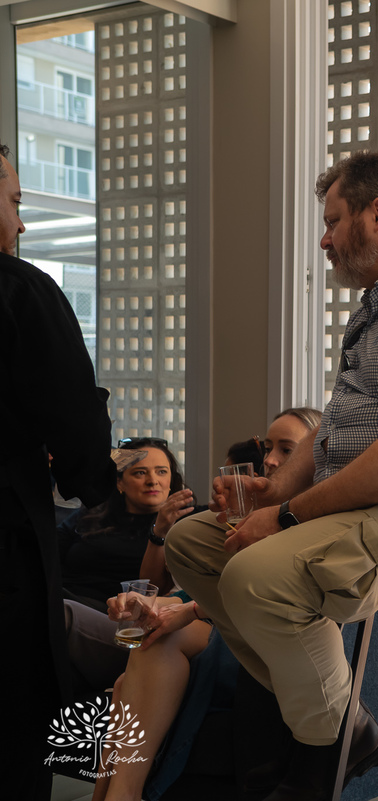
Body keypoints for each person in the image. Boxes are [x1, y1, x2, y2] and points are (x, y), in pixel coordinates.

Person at [164, 151, 378, 801]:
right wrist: (276, 488)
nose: (324, 239)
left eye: (332, 221)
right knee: (192, 542)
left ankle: (318, 753)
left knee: (255, 573)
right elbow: (338, 421)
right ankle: (341, 723)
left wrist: (287, 516)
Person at [92, 408, 322, 801]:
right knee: (129, 675)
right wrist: (154, 602)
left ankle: (119, 796)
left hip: (264, 637)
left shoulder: (313, 517)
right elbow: (198, 585)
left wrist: (183, 609)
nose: (269, 460)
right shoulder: (248, 509)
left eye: (286, 449)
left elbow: (257, 592)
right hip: (218, 620)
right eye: (268, 448)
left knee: (152, 646)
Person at [0, 142, 118, 800]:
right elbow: (75, 425)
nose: (20, 223)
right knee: (15, 726)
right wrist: (90, 475)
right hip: (7, 547)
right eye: (14, 201)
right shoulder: (21, 292)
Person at [59, 437, 193, 610]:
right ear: (119, 482)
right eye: (140, 473)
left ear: (171, 480)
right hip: (62, 596)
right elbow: (49, 551)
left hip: (114, 611)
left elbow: (158, 590)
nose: (153, 481)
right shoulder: (91, 514)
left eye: (161, 472)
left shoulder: (186, 522)